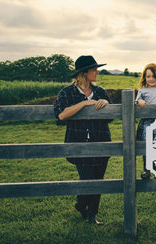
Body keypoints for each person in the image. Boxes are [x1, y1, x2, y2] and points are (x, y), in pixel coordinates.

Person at [53, 55, 112, 225]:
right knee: (87, 180)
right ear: (84, 73)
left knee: (98, 181)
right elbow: (61, 115)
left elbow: (110, 118)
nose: (97, 72)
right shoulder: (67, 92)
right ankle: (81, 203)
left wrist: (105, 104)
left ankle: (92, 216)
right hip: (78, 144)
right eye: (94, 69)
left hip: (101, 142)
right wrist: (84, 104)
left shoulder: (100, 91)